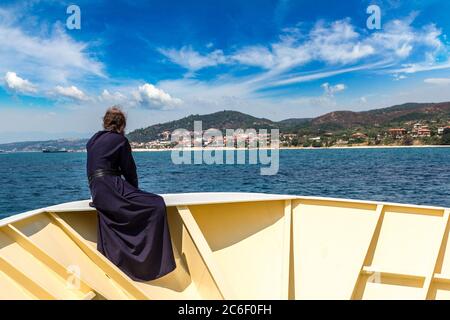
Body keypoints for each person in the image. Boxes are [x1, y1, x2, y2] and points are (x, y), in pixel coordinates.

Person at [86, 106, 176, 281]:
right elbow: (129, 171)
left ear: (105, 122)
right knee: (156, 203)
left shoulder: (93, 140)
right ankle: (149, 264)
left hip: (97, 191)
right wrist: (134, 191)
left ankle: (120, 262)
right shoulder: (120, 141)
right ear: (122, 125)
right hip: (111, 187)